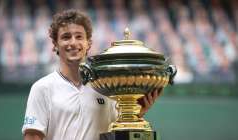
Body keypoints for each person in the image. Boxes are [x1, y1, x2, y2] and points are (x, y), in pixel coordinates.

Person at [22, 9, 162, 140]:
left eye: (79, 37)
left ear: (88, 43)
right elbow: (32, 137)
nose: (73, 42)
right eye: (66, 37)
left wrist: (136, 113)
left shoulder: (107, 86)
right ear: (55, 44)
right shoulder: (42, 88)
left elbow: (118, 131)